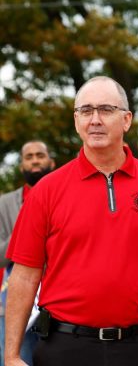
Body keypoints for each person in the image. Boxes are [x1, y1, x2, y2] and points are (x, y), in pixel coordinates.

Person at [4, 76, 138, 366]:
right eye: (86, 111)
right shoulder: (46, 191)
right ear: (76, 120)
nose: (95, 119)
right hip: (65, 348)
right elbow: (23, 277)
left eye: (106, 110)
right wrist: (10, 356)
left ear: (127, 120)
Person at [0, 141, 56, 365]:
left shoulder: (66, 198)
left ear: (51, 162)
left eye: (40, 155)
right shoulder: (4, 204)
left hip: (57, 304)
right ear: (22, 165)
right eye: (29, 156)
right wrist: (29, 227)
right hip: (14, 303)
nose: (35, 160)